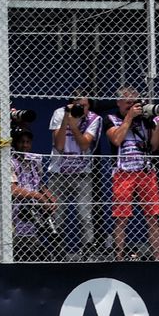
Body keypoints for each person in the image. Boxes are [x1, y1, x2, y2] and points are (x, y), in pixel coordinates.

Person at [106, 88, 159, 261]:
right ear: (119, 103)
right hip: (123, 172)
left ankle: (158, 257)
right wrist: (129, 117)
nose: (132, 106)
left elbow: (154, 146)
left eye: (135, 103)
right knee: (121, 217)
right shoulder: (111, 119)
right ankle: (119, 257)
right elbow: (116, 140)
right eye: (128, 103)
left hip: (145, 171)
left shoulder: (146, 120)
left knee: (153, 216)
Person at [50, 94, 104, 259]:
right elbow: (59, 146)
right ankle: (57, 253)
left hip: (82, 173)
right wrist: (67, 118)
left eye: (85, 105)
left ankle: (88, 251)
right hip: (58, 172)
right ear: (71, 104)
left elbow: (85, 144)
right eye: (78, 105)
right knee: (57, 215)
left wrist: (73, 126)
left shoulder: (94, 118)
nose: (82, 109)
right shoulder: (60, 113)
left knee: (84, 215)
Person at [10, 127, 60, 261]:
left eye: (28, 142)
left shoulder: (34, 161)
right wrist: (39, 197)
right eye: (21, 142)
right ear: (14, 143)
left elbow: (39, 184)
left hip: (33, 213)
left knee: (41, 248)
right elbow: (12, 189)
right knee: (18, 252)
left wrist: (50, 197)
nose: (25, 145)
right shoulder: (9, 161)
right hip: (14, 213)